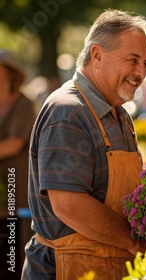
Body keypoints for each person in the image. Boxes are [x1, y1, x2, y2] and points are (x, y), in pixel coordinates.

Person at [22, 9, 146, 279]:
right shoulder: (69, 112)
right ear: (97, 55)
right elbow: (69, 204)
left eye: (145, 63)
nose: (141, 73)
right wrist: (133, 241)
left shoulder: (119, 113)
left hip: (105, 264)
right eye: (133, 60)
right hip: (65, 267)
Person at [0, 49, 36, 280]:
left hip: (16, 183)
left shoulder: (24, 103)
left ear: (10, 73)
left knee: (15, 240)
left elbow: (14, 144)